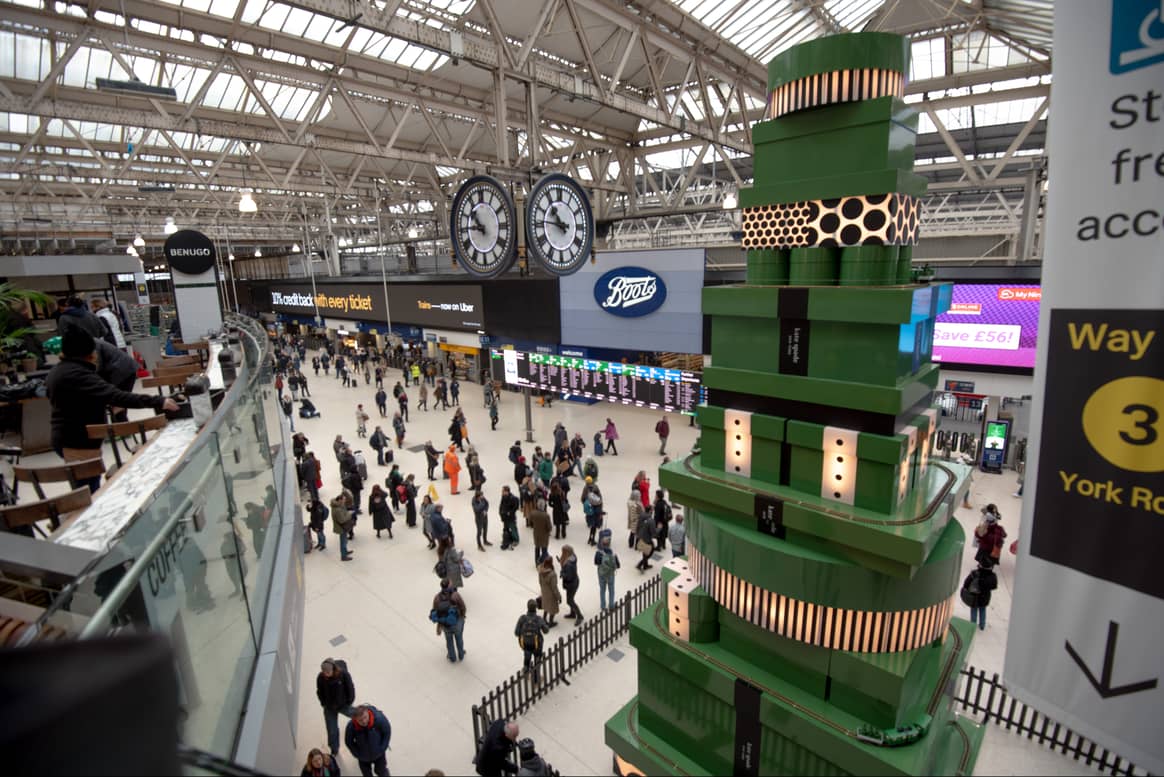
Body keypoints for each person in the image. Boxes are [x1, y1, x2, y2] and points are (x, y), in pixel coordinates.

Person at [46, 329, 177, 486]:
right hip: (77, 441)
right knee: (89, 490)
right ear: (88, 351)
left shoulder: (59, 370)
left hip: (68, 437)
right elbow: (116, 396)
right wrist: (159, 401)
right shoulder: (78, 375)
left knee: (87, 484)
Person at [317, 658, 356, 758]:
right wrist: (323, 703)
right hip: (329, 707)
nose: (326, 674)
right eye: (324, 672)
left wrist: (349, 701)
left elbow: (350, 688)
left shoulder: (343, 675)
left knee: (357, 714)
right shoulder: (321, 678)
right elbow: (319, 691)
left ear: (333, 669)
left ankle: (365, 725)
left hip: (343, 705)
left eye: (328, 672)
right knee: (331, 730)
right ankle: (334, 749)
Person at [344, 704, 392, 777]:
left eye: (365, 717)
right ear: (355, 719)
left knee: (382, 771)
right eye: (360, 720)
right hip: (363, 758)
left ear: (368, 713)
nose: (364, 721)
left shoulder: (379, 719)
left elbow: (387, 732)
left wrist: (382, 748)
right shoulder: (351, 726)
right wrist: (357, 753)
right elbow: (348, 741)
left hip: (379, 754)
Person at [432, 576, 467, 663]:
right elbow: (463, 607)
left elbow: (436, 611)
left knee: (449, 641)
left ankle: (452, 657)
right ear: (449, 586)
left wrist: (439, 626)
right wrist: (462, 616)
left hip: (445, 624)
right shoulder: (455, 595)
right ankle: (461, 655)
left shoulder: (437, 598)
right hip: (457, 623)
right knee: (459, 639)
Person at [514, 599, 549, 682]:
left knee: (527, 658)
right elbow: (546, 631)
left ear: (527, 607)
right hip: (537, 645)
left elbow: (516, 633)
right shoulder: (538, 619)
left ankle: (526, 672)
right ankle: (536, 679)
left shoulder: (522, 618)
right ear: (536, 608)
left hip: (525, 644)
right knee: (537, 660)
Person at [960, 560, 998, 631]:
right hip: (985, 597)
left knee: (974, 609)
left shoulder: (974, 573)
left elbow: (966, 583)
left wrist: (966, 588)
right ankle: (982, 625)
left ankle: (972, 624)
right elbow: (994, 586)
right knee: (982, 610)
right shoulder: (992, 576)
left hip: (974, 596)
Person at [594, 529, 620, 609]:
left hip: (601, 574)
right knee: (611, 590)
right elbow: (618, 565)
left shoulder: (598, 553)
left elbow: (596, 562)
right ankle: (611, 605)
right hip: (610, 575)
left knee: (602, 590)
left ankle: (603, 605)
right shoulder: (613, 553)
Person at [559, 545, 583, 625]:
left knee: (570, 601)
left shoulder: (568, 564)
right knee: (570, 599)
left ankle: (579, 616)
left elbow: (568, 576)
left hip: (571, 584)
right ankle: (572, 613)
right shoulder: (572, 558)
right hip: (574, 581)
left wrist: (562, 573)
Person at [330, 490, 355, 561]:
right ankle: (343, 556)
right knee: (343, 542)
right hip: (341, 528)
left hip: (342, 527)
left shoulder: (339, 505)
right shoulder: (337, 509)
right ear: (340, 500)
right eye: (344, 500)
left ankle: (345, 552)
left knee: (345, 540)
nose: (345, 501)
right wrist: (349, 514)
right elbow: (342, 520)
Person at [538, 555, 561, 628]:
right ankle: (550, 622)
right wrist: (559, 596)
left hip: (544, 592)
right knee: (552, 609)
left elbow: (540, 582)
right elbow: (554, 587)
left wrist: (542, 589)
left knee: (545, 606)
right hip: (551, 594)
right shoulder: (552, 574)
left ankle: (544, 618)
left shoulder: (541, 571)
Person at [529, 497, 552, 567]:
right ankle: (543, 561)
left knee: (537, 548)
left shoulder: (533, 513)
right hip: (544, 535)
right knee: (544, 549)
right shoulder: (546, 516)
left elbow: (530, 523)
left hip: (536, 534)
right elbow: (549, 527)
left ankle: (537, 562)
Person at [582, 478, 604, 547]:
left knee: (591, 526)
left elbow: (583, 498)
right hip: (595, 514)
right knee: (594, 528)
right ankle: (592, 540)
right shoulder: (597, 498)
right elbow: (599, 507)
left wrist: (585, 503)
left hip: (590, 512)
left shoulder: (586, 489)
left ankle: (590, 539)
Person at [499, 485, 520, 551]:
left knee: (513, 528)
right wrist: (500, 512)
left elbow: (515, 507)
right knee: (505, 528)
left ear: (507, 491)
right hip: (504, 516)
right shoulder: (503, 497)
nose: (502, 492)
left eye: (503, 491)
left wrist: (510, 512)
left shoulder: (513, 498)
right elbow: (501, 505)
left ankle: (516, 540)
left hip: (511, 517)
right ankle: (506, 539)